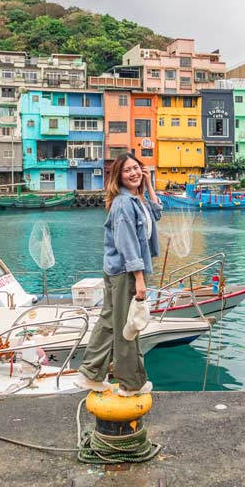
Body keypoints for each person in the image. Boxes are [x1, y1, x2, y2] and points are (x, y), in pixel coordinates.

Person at [76, 153, 162, 396]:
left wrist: (149, 187)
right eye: (127, 171)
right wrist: (139, 278)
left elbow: (156, 214)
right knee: (128, 326)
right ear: (118, 176)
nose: (134, 173)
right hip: (125, 271)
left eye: (137, 168)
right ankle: (131, 383)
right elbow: (127, 244)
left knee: (109, 321)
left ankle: (90, 374)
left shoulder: (135, 200)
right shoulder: (124, 203)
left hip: (116, 269)